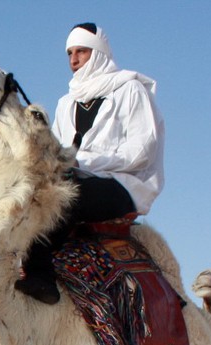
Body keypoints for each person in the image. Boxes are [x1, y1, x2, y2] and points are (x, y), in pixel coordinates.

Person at [17, 22, 165, 304]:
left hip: (123, 183)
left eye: (81, 51)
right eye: (70, 53)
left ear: (98, 53)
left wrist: (86, 161)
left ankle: (42, 277)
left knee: (66, 199)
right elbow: (59, 149)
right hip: (75, 177)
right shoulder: (66, 102)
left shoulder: (130, 90)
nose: (74, 60)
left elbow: (143, 148)